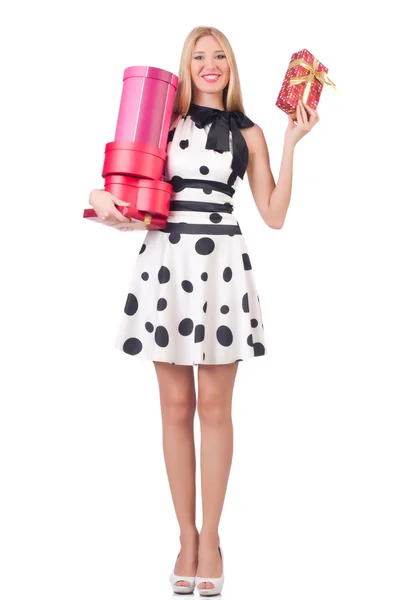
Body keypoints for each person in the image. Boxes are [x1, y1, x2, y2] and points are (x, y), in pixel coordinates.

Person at [88, 25, 319, 597]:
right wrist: (100, 200)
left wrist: (291, 143)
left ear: (232, 66)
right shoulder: (162, 119)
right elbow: (116, 185)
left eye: (219, 56)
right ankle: (185, 537)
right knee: (173, 407)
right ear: (186, 65)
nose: (210, 64)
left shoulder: (252, 133)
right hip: (167, 263)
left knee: (215, 409)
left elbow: (274, 214)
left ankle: (211, 539)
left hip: (221, 270)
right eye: (199, 56)